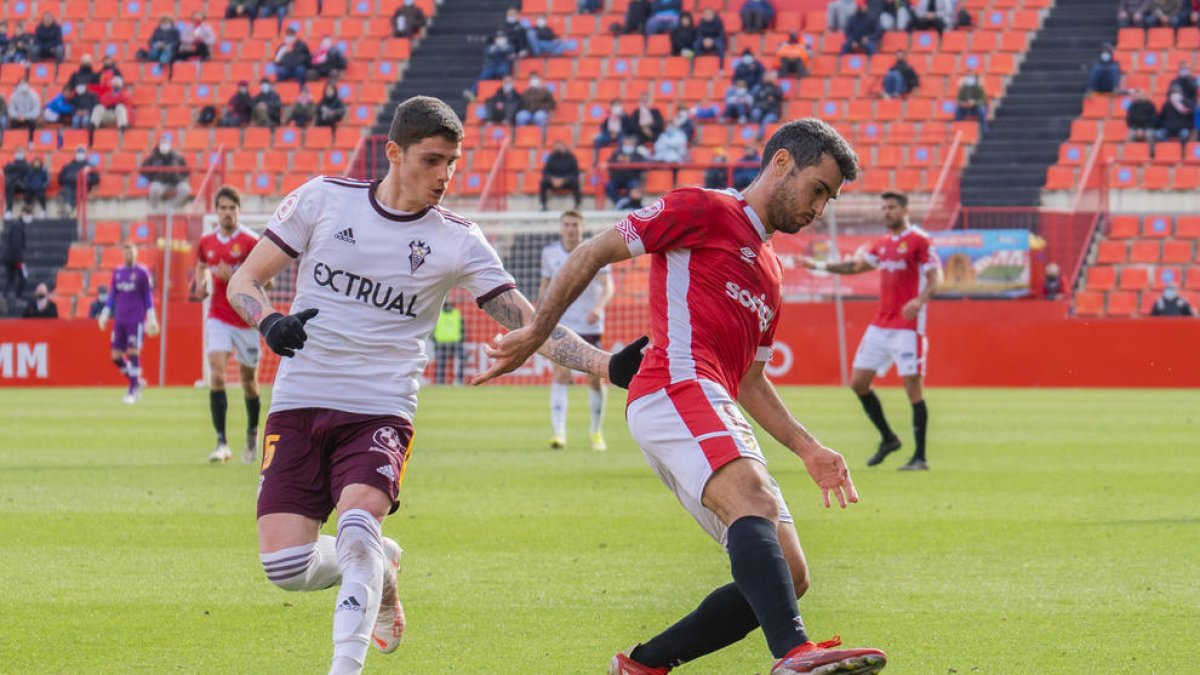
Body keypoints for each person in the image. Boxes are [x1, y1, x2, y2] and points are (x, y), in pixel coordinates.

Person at [476, 118, 886, 675]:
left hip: (711, 398)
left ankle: (643, 665)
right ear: (782, 163)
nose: (819, 208)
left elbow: (750, 381)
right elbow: (594, 251)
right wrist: (536, 332)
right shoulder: (704, 208)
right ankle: (794, 654)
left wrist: (809, 448)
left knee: (789, 575)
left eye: (829, 199)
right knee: (753, 498)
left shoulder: (771, 272)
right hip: (674, 384)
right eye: (818, 190)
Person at [223, 95, 614, 675]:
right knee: (285, 566)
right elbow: (244, 281)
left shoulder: (458, 239)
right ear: (393, 152)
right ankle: (382, 565)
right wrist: (270, 322)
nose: (444, 175)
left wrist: (608, 366)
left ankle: (345, 664)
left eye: (452, 162)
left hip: (380, 408)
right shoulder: (323, 199)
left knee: (357, 528)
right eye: (432, 160)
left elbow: (530, 323)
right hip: (300, 399)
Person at [801, 191, 941, 472]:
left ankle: (920, 457)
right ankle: (889, 438)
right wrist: (819, 265)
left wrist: (920, 300)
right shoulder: (883, 244)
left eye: (892, 208)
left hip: (907, 326)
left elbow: (936, 276)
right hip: (881, 324)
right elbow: (855, 266)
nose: (887, 212)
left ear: (905, 210)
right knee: (858, 383)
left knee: (912, 388)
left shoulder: (919, 240)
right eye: (884, 208)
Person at [190, 186, 265, 464]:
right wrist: (201, 284)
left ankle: (252, 433)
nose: (227, 213)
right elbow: (202, 265)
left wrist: (233, 277)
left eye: (232, 208)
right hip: (218, 316)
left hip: (246, 319)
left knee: (249, 383)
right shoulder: (206, 241)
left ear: (239, 211)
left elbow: (267, 281)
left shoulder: (251, 241)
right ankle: (222, 443)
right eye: (223, 208)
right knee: (217, 376)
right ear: (216, 211)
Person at [539, 210, 615, 450]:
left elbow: (608, 287)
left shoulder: (595, 249)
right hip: (561, 323)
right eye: (567, 224)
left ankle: (596, 432)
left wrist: (599, 307)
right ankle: (559, 433)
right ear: (561, 227)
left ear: (582, 227)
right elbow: (545, 287)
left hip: (589, 324)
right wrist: (542, 314)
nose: (571, 229)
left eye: (575, 224)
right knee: (561, 374)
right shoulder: (550, 253)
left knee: (595, 379)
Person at [98, 241, 159, 404]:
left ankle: (133, 391)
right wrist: (105, 312)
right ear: (123, 254)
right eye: (126, 252)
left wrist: (151, 317)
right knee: (116, 356)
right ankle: (136, 381)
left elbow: (148, 296)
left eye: (131, 252)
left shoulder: (142, 272)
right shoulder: (118, 272)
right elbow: (112, 294)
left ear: (136, 253)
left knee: (133, 352)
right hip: (120, 319)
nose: (129, 255)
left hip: (136, 320)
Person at [141, 138, 192, 211]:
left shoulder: (177, 157)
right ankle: (154, 208)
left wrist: (180, 178)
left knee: (185, 189)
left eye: (166, 144)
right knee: (154, 188)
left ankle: (174, 207)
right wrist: (152, 178)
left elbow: (186, 170)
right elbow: (143, 169)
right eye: (162, 144)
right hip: (160, 182)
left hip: (175, 182)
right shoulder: (153, 157)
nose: (164, 146)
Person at [606, 137, 649, 206]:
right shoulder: (617, 153)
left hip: (631, 179)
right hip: (617, 179)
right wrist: (619, 160)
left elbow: (643, 166)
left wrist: (630, 161)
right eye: (626, 143)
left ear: (634, 144)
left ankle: (632, 204)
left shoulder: (638, 155)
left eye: (630, 143)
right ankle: (619, 203)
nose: (628, 145)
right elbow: (609, 163)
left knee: (635, 187)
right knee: (609, 187)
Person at [540, 140, 582, 210]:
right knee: (544, 182)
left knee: (575, 181)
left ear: (564, 147)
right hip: (553, 181)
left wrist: (564, 180)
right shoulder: (551, 157)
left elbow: (575, 172)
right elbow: (545, 171)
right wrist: (552, 179)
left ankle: (577, 205)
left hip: (567, 181)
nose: (558, 148)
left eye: (560, 146)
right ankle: (543, 205)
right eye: (557, 147)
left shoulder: (571, 157)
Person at [432, 301, 465, 385]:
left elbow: (462, 327)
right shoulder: (439, 314)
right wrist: (434, 339)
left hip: (454, 341)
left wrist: (462, 338)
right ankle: (440, 382)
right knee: (440, 363)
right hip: (441, 342)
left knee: (462, 358)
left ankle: (459, 380)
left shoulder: (456, 313)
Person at [2, 208, 28, 298]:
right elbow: (16, 245)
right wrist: (20, 260)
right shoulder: (18, 227)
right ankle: (17, 297)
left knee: (10, 280)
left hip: (11, 258)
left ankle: (5, 297)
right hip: (15, 259)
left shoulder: (18, 226)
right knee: (23, 277)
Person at [3, 149, 33, 217]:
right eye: (17, 153)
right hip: (13, 185)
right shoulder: (11, 164)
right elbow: (6, 171)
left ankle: (27, 211)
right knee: (10, 187)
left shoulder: (27, 165)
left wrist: (18, 166)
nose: (18, 154)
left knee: (29, 188)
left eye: (20, 153)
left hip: (24, 185)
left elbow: (29, 174)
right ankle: (9, 211)